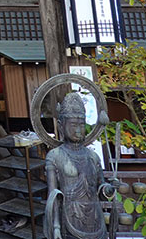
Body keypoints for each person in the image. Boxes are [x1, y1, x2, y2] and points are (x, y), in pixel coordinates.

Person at [44, 92, 107, 239]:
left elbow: (101, 189)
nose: (78, 130)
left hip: (95, 218)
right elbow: (53, 195)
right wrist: (56, 226)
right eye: (73, 125)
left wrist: (109, 189)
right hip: (69, 218)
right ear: (61, 126)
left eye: (81, 125)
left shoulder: (92, 156)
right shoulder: (55, 156)